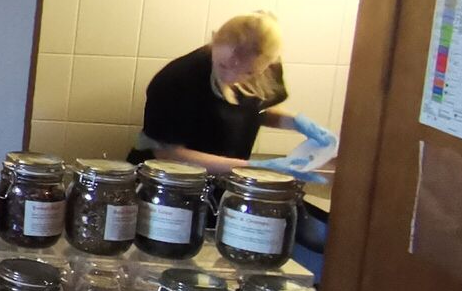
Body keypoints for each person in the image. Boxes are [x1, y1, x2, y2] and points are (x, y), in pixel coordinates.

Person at [138, 10, 335, 171]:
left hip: (226, 180)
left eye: (248, 73)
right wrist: (251, 167)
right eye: (223, 66)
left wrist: (297, 123)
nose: (232, 77)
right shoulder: (177, 79)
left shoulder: (267, 70)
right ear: (214, 40)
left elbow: (252, 111)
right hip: (171, 184)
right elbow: (166, 153)